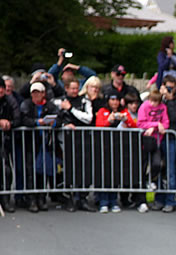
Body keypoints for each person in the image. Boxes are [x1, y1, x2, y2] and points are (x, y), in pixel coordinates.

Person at [55, 79, 95, 212]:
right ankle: (69, 198)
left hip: (83, 140)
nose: (75, 91)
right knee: (68, 168)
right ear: (66, 88)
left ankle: (82, 198)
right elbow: (55, 119)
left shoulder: (85, 101)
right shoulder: (59, 101)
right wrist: (64, 125)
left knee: (84, 169)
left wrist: (71, 109)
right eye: (72, 88)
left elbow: (88, 119)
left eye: (77, 88)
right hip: (65, 141)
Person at [20, 82, 59, 212]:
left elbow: (59, 118)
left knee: (43, 171)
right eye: (34, 93)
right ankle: (31, 199)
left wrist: (53, 123)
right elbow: (23, 119)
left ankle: (41, 198)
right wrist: (37, 122)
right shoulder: (26, 104)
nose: (36, 95)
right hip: (30, 143)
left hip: (46, 143)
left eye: (38, 92)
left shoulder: (50, 105)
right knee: (30, 171)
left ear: (43, 93)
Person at [94, 92, 135, 213]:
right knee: (104, 174)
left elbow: (134, 125)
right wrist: (109, 121)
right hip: (104, 146)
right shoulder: (102, 111)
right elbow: (98, 125)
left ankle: (113, 200)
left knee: (115, 174)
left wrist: (126, 119)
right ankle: (103, 201)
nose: (115, 102)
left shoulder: (124, 111)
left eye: (117, 100)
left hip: (119, 146)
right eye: (112, 100)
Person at [136, 89, 169, 213]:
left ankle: (150, 180)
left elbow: (165, 124)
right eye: (152, 101)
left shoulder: (163, 107)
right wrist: (155, 125)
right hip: (144, 141)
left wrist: (157, 126)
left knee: (157, 164)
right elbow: (140, 123)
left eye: (156, 102)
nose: (153, 104)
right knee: (142, 169)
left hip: (156, 142)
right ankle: (141, 201)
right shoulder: (144, 107)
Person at [156, 75, 176, 212]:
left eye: (172, 88)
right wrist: (160, 97)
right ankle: (159, 199)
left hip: (171, 137)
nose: (169, 90)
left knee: (171, 170)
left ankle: (170, 200)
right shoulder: (158, 97)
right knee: (158, 168)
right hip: (157, 137)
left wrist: (170, 100)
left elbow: (174, 117)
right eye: (167, 87)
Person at [0, 78, 17, 212]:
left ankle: (5, 199)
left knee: (6, 171)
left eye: (1, 87)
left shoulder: (10, 100)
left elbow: (18, 117)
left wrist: (10, 123)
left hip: (5, 141)